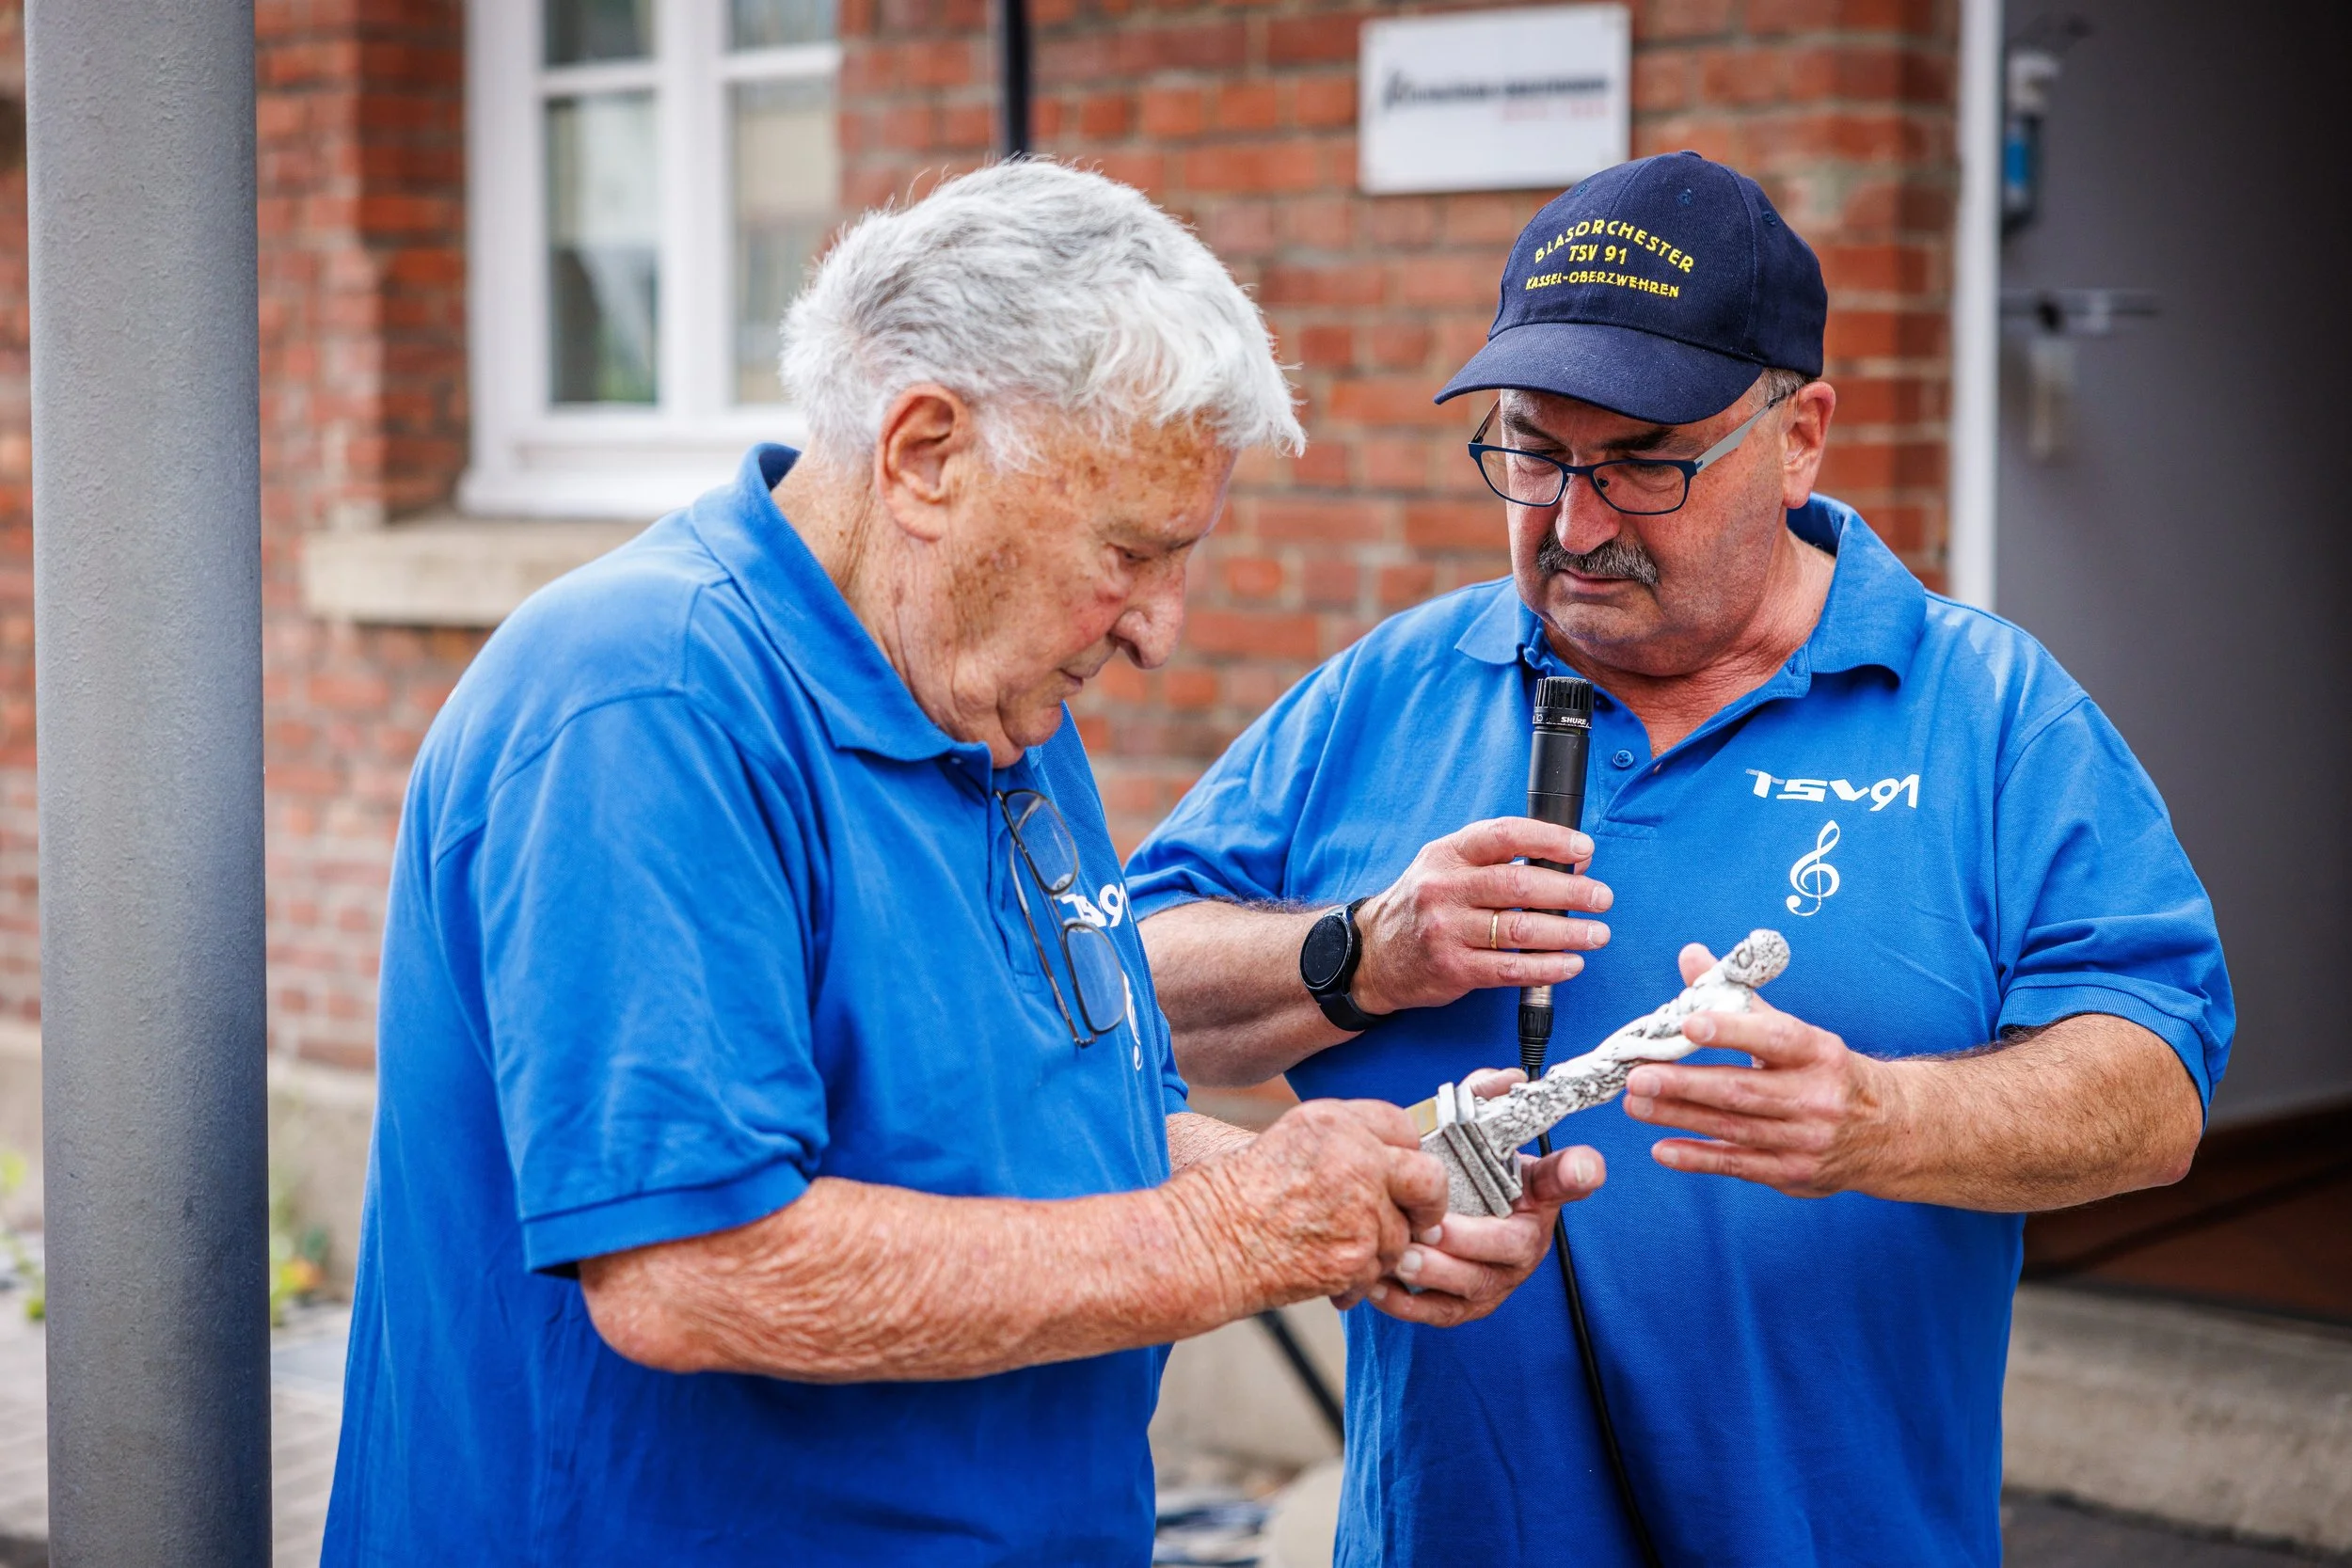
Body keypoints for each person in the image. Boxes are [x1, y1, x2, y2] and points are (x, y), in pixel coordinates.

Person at [320, 162, 1603, 1566]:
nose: (1158, 633)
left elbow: (1076, 1132)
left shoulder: (988, 695)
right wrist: (1242, 1231)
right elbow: (696, 1270)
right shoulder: (644, 702)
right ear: (925, 453)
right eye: (1131, 551)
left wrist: (1368, 1176)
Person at [1129, 150, 2233, 1567]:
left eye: (1646, 462)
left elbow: (2155, 1090)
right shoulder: (1393, 684)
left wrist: (1884, 1119)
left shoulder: (1988, 709)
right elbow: (1110, 989)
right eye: (1534, 452)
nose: (1576, 523)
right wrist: (1360, 948)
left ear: (1803, 433)